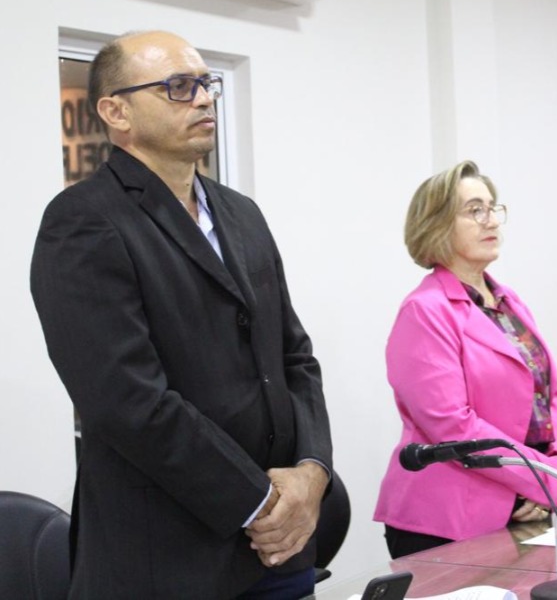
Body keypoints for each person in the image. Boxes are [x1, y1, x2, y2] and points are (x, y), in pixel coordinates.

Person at [30, 31, 332, 600]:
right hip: (169, 559)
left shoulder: (242, 214)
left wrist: (312, 472)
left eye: (206, 83)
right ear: (116, 112)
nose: (204, 98)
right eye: (178, 86)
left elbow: (294, 357)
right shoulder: (84, 221)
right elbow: (127, 402)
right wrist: (260, 502)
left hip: (280, 551)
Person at [373, 160, 557, 559]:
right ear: (437, 225)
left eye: (493, 208)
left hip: (528, 502)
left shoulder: (508, 300)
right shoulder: (424, 311)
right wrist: (543, 479)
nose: (491, 220)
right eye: (474, 210)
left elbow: (550, 394)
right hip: (451, 516)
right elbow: (453, 427)